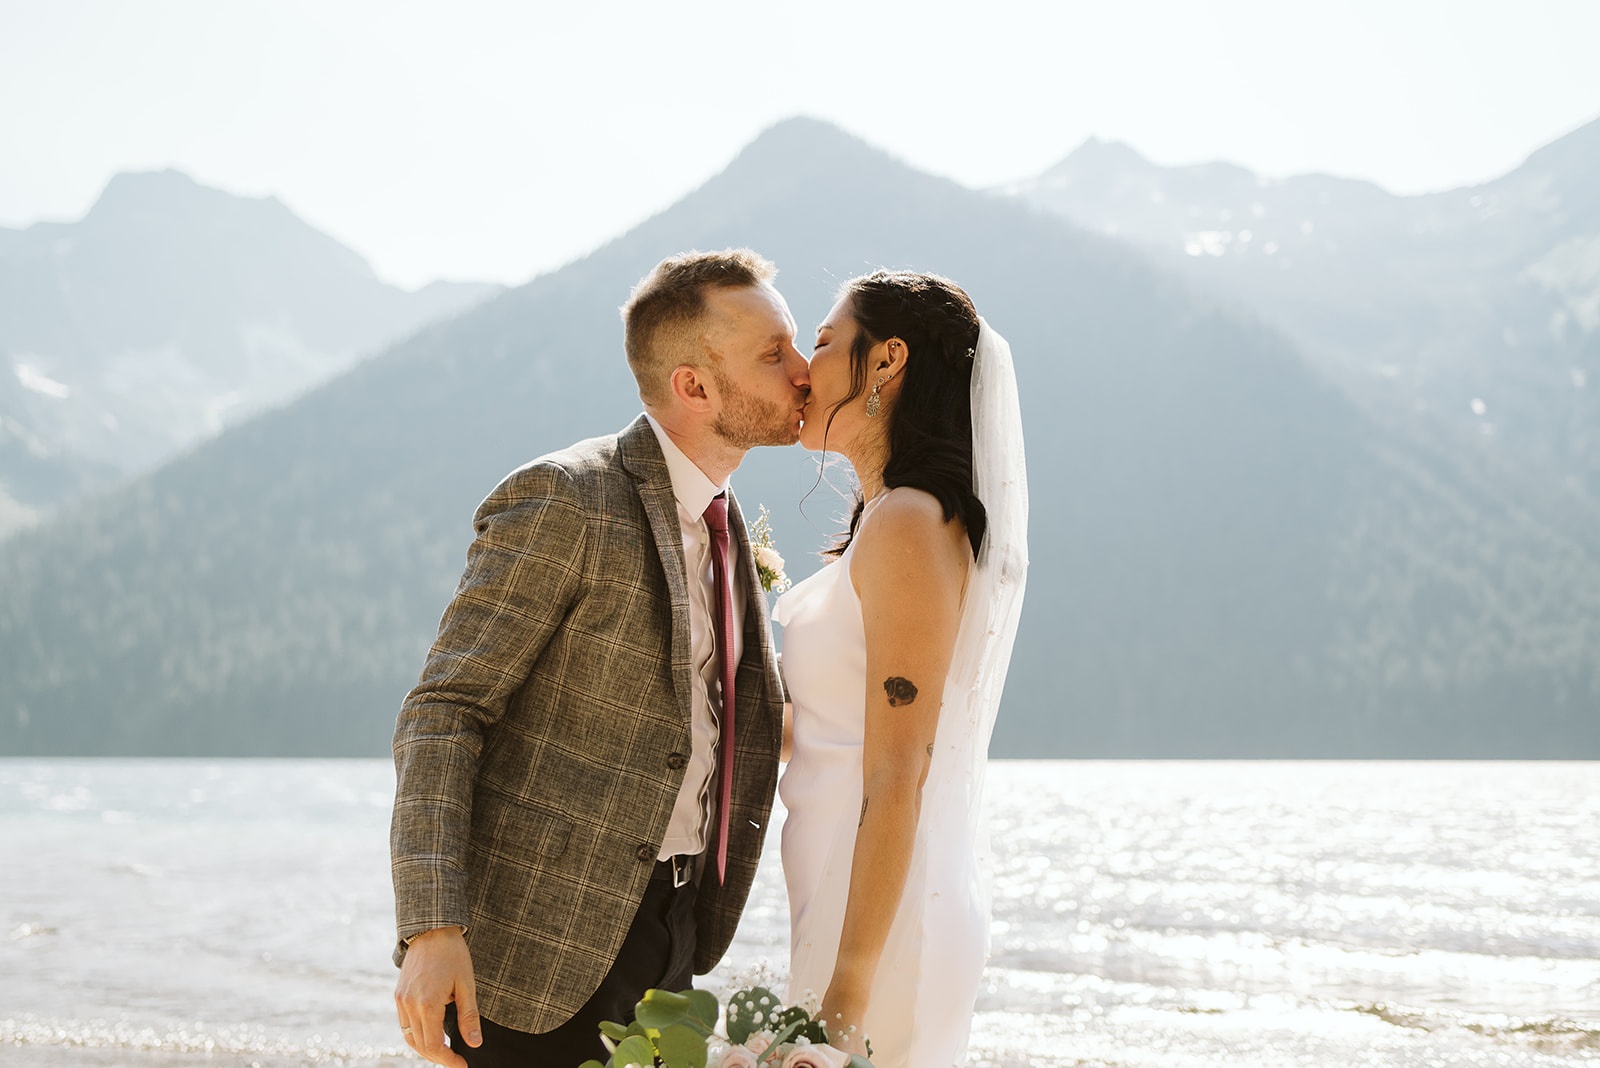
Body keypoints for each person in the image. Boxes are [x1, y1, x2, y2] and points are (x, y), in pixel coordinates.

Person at [390, 248, 809, 1068]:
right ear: (693, 385)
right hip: (537, 953)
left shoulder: (728, 531)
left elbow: (719, 726)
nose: (804, 372)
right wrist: (431, 929)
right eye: (774, 354)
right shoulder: (567, 498)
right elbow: (444, 712)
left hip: (679, 934)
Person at [775, 270, 1029, 1067]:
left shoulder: (911, 525)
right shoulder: (887, 521)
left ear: (886, 361)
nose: (800, 366)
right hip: (845, 898)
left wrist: (848, 988)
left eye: (820, 342)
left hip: (883, 924)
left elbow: (899, 770)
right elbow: (829, 733)